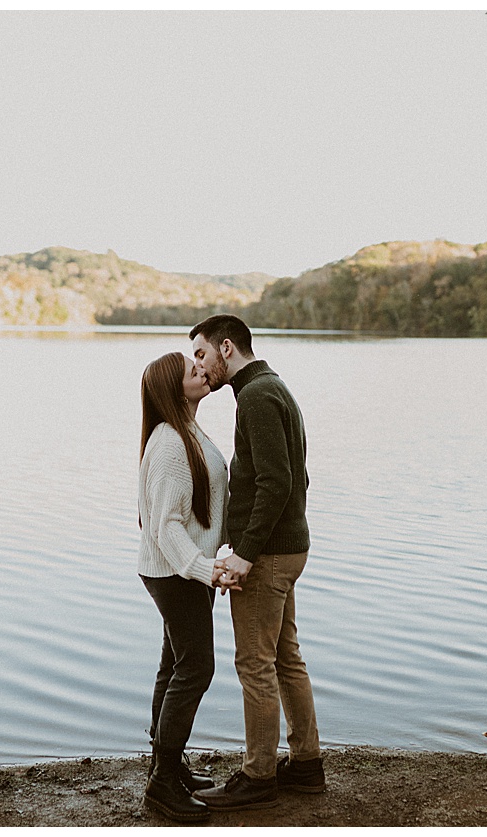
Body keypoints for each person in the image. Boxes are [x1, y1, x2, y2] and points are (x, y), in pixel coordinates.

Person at [187, 314, 323, 811]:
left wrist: (244, 553)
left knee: (255, 664)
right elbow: (293, 479)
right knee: (285, 657)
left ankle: (258, 775)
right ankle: (306, 764)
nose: (198, 366)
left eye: (201, 354)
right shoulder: (270, 386)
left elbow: (277, 482)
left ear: (226, 348)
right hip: (287, 548)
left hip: (267, 557)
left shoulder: (258, 396)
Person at [136, 350, 230, 822]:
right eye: (191, 371)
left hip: (178, 569)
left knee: (174, 666)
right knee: (197, 667)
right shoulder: (171, 442)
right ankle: (162, 783)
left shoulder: (186, 429)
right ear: (175, 389)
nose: (201, 371)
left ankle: (166, 766)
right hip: (175, 571)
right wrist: (204, 569)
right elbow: (165, 527)